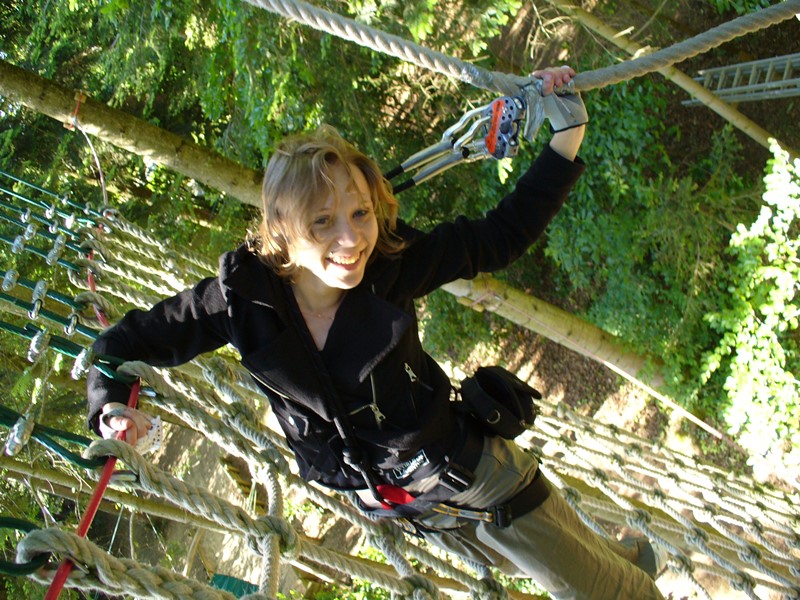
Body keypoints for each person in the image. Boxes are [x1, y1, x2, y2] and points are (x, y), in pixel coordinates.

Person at [86, 66, 665, 599]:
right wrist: (109, 406)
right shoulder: (241, 303)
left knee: (605, 592)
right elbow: (119, 345)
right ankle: (632, 557)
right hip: (414, 513)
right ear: (283, 234)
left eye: (360, 213)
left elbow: (497, 237)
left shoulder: (389, 265)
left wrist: (566, 139)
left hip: (477, 477)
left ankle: (632, 568)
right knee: (591, 565)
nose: (351, 239)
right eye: (323, 222)